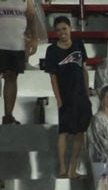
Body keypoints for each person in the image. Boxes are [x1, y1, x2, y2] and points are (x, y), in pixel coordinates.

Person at [39, 15, 91, 178]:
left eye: (64, 29)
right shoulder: (52, 50)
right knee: (64, 132)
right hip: (65, 96)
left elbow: (84, 69)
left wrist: (87, 92)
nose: (62, 32)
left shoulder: (78, 45)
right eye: (59, 30)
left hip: (81, 95)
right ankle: (62, 168)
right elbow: (52, 77)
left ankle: (72, 167)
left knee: (80, 132)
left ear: (70, 29)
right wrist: (59, 99)